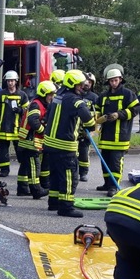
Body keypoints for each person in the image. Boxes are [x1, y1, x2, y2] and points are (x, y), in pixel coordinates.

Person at [42, 69, 95, 218]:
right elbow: (89, 121)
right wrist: (91, 124)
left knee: (55, 176)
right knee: (69, 177)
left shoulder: (57, 97)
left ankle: (53, 203)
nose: (81, 88)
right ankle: (66, 207)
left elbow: (46, 117)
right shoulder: (75, 100)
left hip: (50, 145)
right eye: (79, 85)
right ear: (72, 84)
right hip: (65, 146)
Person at [95, 65, 139, 197]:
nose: (113, 83)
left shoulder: (128, 94)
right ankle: (107, 183)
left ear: (120, 79)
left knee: (115, 162)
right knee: (105, 161)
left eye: (116, 80)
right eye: (111, 81)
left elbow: (135, 109)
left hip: (120, 135)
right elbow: (97, 108)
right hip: (106, 134)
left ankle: (114, 186)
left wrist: (119, 114)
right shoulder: (103, 96)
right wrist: (98, 117)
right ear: (108, 82)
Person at [17, 80, 56, 198]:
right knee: (34, 165)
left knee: (25, 166)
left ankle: (22, 188)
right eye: (50, 94)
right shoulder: (36, 104)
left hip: (26, 140)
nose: (52, 97)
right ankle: (36, 190)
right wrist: (44, 131)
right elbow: (33, 121)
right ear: (44, 94)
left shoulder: (40, 104)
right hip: (30, 141)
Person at [0, 70, 28, 177]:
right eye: (8, 81)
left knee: (20, 151)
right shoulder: (0, 95)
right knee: (3, 152)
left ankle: (23, 170)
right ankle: (4, 170)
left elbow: (28, 111)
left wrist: (20, 110)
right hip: (2, 128)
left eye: (12, 81)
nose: (10, 83)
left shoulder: (22, 95)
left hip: (16, 129)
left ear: (16, 81)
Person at [77, 72, 99, 182]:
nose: (87, 83)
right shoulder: (76, 95)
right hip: (74, 130)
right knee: (73, 153)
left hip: (87, 131)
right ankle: (74, 171)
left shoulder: (94, 98)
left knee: (84, 153)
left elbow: (98, 116)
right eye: (85, 81)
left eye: (90, 82)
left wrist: (94, 131)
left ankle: (83, 173)